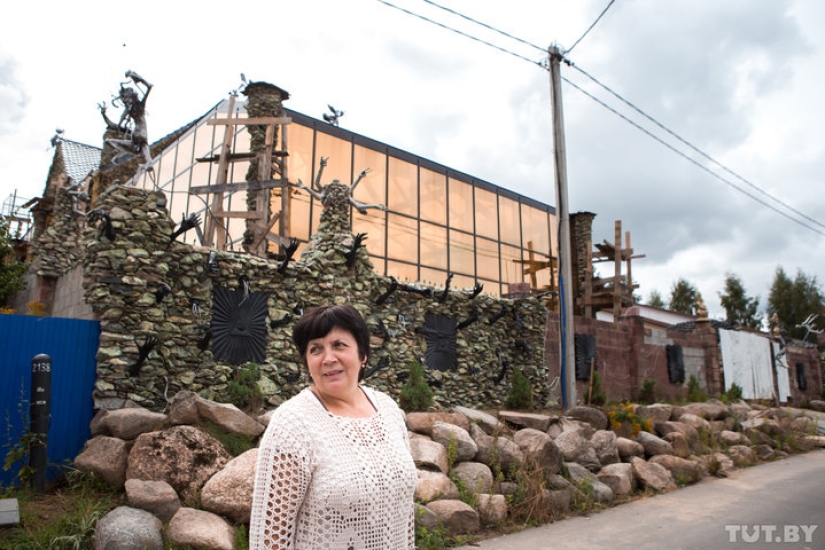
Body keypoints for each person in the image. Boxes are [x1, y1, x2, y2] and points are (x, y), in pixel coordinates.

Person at [250, 304, 417, 550]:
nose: (328, 358)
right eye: (316, 349)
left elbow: (405, 521)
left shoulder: (388, 409)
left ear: (362, 355)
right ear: (307, 362)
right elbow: (271, 537)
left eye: (339, 345)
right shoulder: (293, 423)